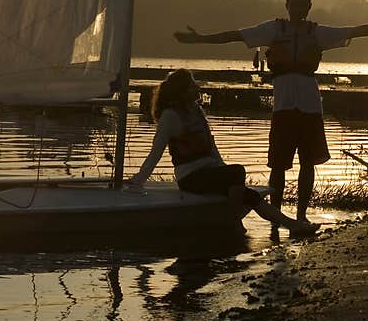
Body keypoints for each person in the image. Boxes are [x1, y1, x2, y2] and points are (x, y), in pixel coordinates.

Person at [174, 0, 368, 226]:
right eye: (295, 4)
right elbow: (236, 35)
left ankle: (301, 215)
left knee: (308, 163)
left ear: (310, 7)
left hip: (310, 106)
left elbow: (355, 30)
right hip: (283, 107)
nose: (299, 8)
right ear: (287, 5)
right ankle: (277, 218)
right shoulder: (273, 29)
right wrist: (200, 39)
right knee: (278, 165)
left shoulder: (317, 33)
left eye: (304, 4)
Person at [127, 68, 318, 237]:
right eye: (193, 86)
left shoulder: (196, 110)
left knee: (249, 194)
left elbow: (212, 147)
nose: (197, 88)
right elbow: (156, 152)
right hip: (190, 178)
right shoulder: (170, 116)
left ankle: (292, 225)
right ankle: (233, 222)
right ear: (183, 91)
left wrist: (223, 172)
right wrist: (139, 180)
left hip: (210, 173)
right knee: (238, 173)